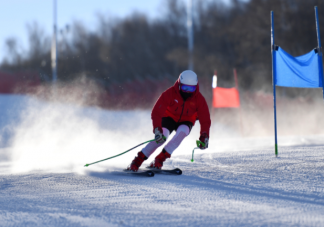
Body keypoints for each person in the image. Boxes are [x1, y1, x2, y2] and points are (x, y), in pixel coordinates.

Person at [127, 70, 211, 172]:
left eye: (191, 88)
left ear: (196, 87)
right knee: (162, 137)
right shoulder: (170, 93)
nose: (188, 91)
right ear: (179, 84)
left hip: (187, 120)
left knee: (182, 133)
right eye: (185, 88)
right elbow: (156, 112)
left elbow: (205, 120)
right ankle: (137, 161)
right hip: (169, 118)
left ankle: (159, 159)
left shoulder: (199, 99)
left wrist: (204, 136)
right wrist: (157, 129)